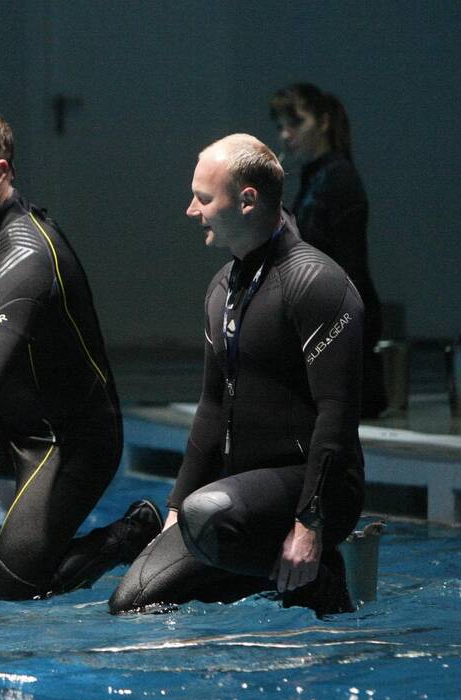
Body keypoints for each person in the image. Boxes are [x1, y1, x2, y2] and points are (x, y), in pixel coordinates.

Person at [0, 108, 162, 601]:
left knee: (11, 598)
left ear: (0, 172)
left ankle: (127, 535)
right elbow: (17, 349)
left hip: (69, 445)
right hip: (15, 424)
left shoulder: (27, 253)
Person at [109, 135, 364, 616]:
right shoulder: (223, 288)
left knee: (207, 514)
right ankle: (271, 574)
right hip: (239, 501)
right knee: (133, 601)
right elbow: (210, 406)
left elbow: (339, 413)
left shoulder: (316, 283)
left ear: (247, 200)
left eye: (203, 198)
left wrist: (310, 522)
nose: (191, 210)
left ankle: (320, 577)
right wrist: (174, 510)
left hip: (314, 490)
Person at [270, 83, 386, 418]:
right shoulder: (315, 177)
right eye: (280, 126)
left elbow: (349, 266)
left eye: (296, 124)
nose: (286, 135)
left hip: (340, 323)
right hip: (325, 319)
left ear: (323, 122)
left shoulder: (338, 178)